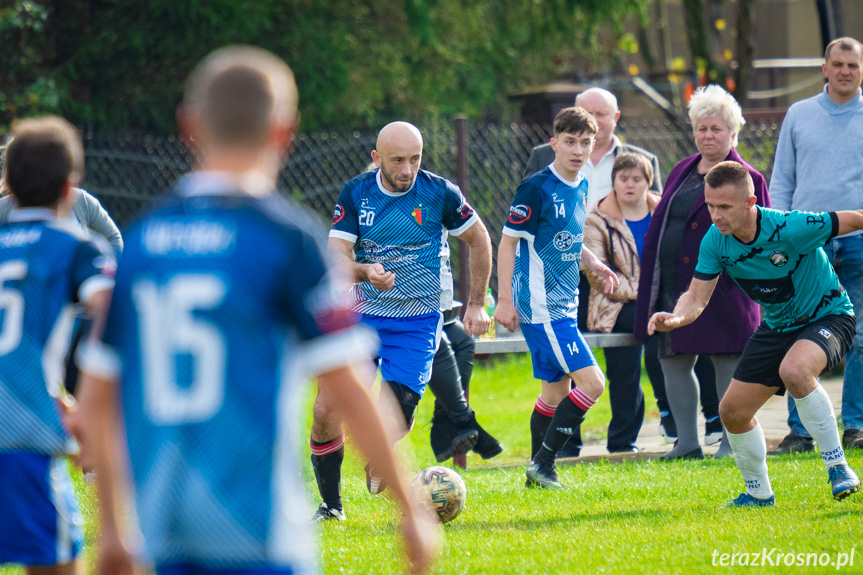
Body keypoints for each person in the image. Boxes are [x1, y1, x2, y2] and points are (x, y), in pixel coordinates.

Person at [70, 46, 438, 575]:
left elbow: (97, 400)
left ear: (188, 126)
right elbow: (349, 388)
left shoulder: (144, 243)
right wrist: (409, 506)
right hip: (258, 535)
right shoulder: (286, 238)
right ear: (284, 133)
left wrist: (112, 530)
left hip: (161, 532)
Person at [649, 161, 861, 505]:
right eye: (710, 205)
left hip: (829, 315)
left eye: (724, 207)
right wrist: (675, 319)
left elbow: (854, 218)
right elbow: (696, 297)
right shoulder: (715, 241)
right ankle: (759, 494)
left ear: (750, 203)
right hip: (777, 326)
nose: (715, 216)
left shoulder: (792, 228)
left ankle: (838, 467)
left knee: (795, 371)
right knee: (732, 411)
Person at [311, 120, 493, 519]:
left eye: (415, 159)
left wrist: (476, 304)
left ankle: (383, 452)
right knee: (326, 409)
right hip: (361, 317)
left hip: (416, 322)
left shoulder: (440, 192)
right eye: (397, 161)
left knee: (390, 421)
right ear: (377, 158)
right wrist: (364, 271)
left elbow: (479, 238)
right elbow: (336, 254)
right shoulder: (357, 192)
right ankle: (332, 506)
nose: (407, 169)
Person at [0, 116, 115, 575]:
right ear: (70, 190)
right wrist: (91, 404)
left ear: (7, 184)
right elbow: (112, 309)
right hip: (21, 440)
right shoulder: (74, 247)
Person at [633, 85, 771, 460]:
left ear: (732, 133)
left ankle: (731, 442)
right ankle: (688, 443)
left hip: (726, 286)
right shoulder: (681, 169)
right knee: (672, 360)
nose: (708, 136)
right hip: (674, 285)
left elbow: (760, 235)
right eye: (702, 128)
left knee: (728, 364)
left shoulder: (747, 176)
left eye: (716, 129)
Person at [495, 106, 619, 489]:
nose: (578, 150)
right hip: (543, 307)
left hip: (564, 303)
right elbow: (507, 243)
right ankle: (544, 464)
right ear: (554, 144)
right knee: (594, 384)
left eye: (586, 142)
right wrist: (503, 299)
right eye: (570, 142)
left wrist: (594, 261)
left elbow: (568, 239)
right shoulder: (536, 188)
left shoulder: (581, 184)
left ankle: (537, 473)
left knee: (555, 392)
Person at [769, 36, 863, 452]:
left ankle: (856, 425)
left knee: (860, 336)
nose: (845, 71)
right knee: (800, 333)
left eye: (853, 66)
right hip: (807, 244)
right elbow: (782, 179)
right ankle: (801, 429)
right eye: (838, 64)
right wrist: (779, 235)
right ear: (824, 68)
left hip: (859, 241)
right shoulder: (799, 113)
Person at [582, 153, 662, 452]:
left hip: (659, 303)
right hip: (616, 307)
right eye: (623, 178)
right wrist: (647, 294)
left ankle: (675, 421)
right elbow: (599, 275)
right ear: (613, 182)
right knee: (624, 373)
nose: (630, 184)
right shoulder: (597, 219)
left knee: (669, 349)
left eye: (637, 179)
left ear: (648, 182)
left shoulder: (663, 213)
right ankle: (621, 442)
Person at [428, 303, 502, 462]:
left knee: (463, 340)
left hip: (441, 312)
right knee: (437, 343)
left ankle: (442, 422)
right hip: (403, 311)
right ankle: (465, 420)